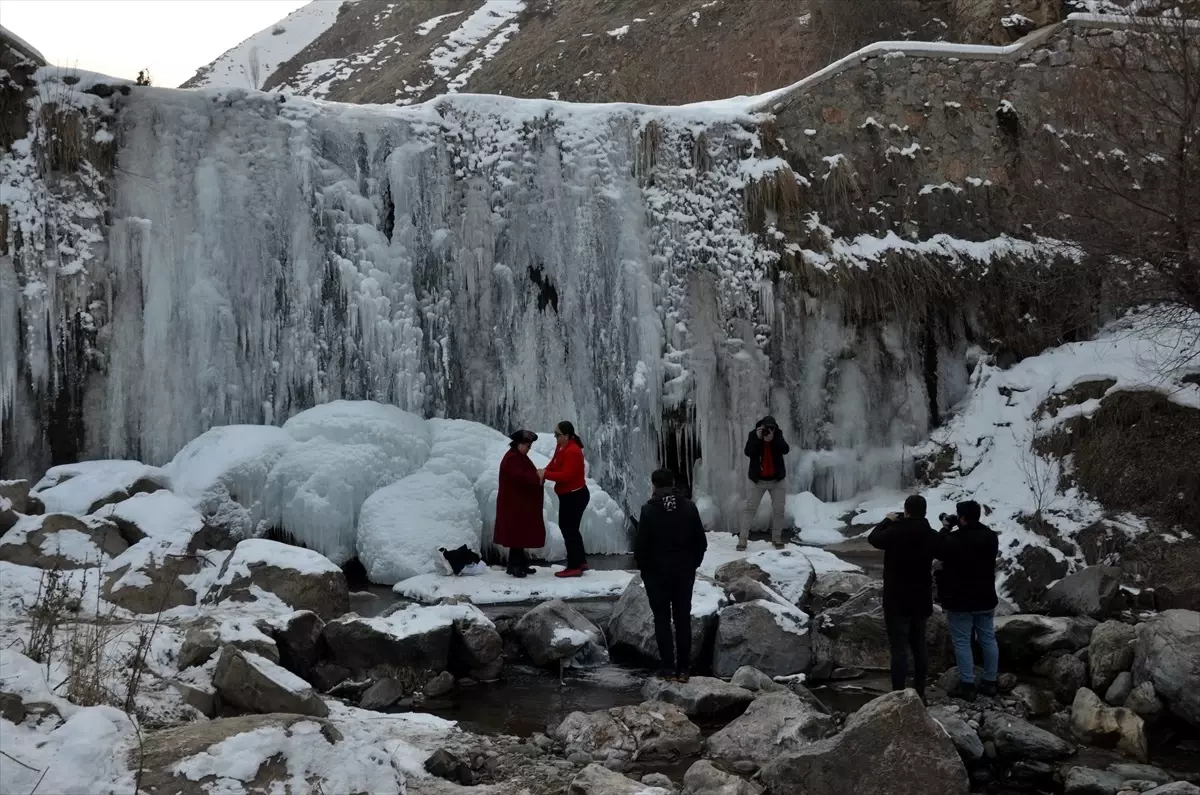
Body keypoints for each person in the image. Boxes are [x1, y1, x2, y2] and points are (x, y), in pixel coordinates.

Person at [634, 469, 708, 682]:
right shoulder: (688, 507)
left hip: (657, 575)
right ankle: (684, 669)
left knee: (662, 619)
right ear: (673, 483)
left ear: (654, 485)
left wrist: (646, 570)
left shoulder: (649, 510)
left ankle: (667, 667)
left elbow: (640, 547)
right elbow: (700, 543)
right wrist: (693, 565)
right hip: (684, 573)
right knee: (683, 619)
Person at [868, 494, 939, 701]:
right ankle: (920, 691)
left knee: (899, 649)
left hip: (896, 598)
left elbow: (873, 538)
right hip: (921, 598)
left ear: (906, 511)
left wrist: (887, 520)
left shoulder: (895, 532)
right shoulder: (930, 534)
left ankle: (898, 693)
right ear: (924, 512)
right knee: (919, 646)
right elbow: (943, 547)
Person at [936, 500, 1000, 701]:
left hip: (959, 599)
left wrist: (946, 528)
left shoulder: (953, 539)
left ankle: (968, 685)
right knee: (988, 639)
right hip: (985, 597)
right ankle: (990, 682)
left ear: (961, 517)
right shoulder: (991, 537)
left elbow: (937, 549)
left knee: (962, 642)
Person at [541, 421, 590, 578]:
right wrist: (544, 470)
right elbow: (555, 463)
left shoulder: (573, 451)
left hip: (575, 495)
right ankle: (580, 562)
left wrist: (545, 475)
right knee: (571, 529)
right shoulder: (561, 447)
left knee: (568, 529)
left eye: (558, 434)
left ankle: (574, 566)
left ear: (567, 436)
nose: (555, 437)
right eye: (555, 434)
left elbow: (566, 476)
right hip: (569, 495)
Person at [494, 430, 544, 578]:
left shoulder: (517, 456)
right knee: (516, 535)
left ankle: (517, 564)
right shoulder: (512, 458)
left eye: (529, 446)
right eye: (527, 445)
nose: (529, 448)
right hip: (513, 505)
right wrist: (538, 477)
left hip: (517, 504)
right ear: (518, 444)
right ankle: (516, 566)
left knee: (519, 535)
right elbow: (521, 477)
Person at [739, 415, 790, 551]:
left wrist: (773, 440)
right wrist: (758, 438)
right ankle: (742, 539)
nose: (769, 430)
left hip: (777, 480)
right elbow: (748, 452)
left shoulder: (778, 434)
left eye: (771, 428)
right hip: (757, 480)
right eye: (766, 428)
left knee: (779, 510)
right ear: (761, 426)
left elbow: (785, 449)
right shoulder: (753, 435)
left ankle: (777, 539)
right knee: (750, 509)